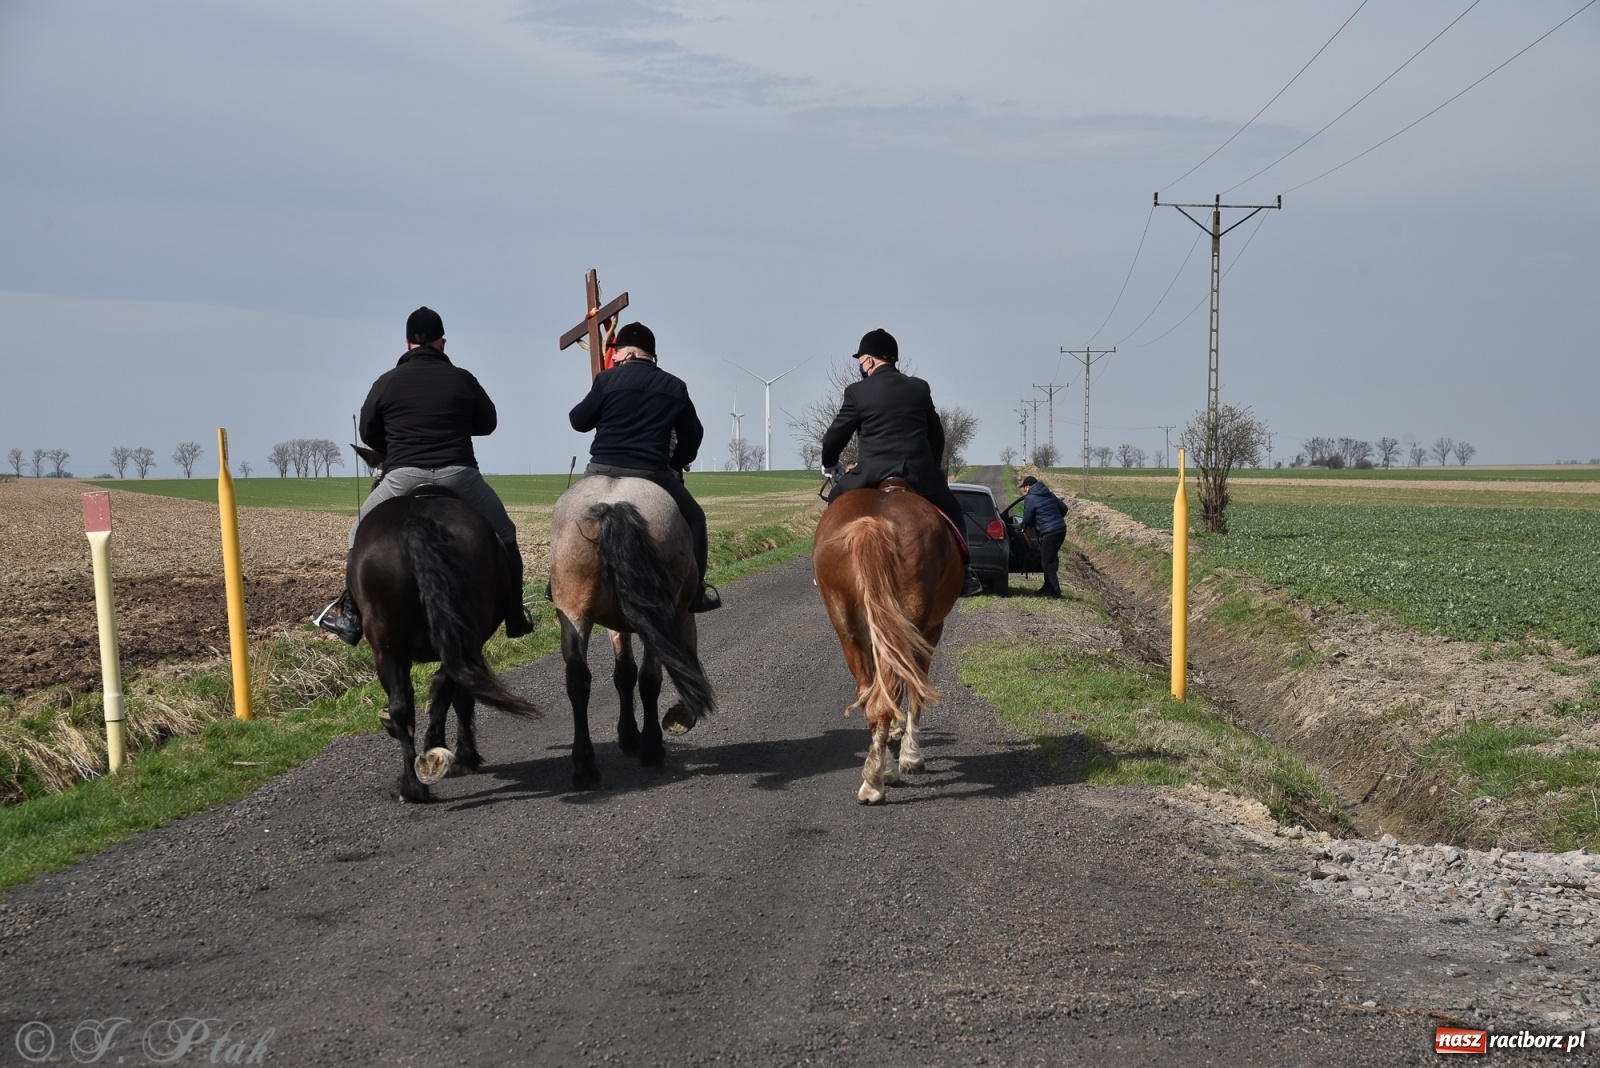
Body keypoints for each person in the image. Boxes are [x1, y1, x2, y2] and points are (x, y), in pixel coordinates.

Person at [316, 306, 534, 643]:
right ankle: (515, 615)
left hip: (402, 476)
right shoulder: (462, 378)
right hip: (458, 475)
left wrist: (394, 445)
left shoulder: (386, 382)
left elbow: (368, 431)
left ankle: (350, 616)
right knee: (506, 534)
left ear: (407, 343)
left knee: (357, 534)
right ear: (441, 342)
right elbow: (488, 423)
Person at [568, 322, 720, 612]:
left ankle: (558, 583)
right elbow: (693, 435)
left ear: (629, 353)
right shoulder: (675, 386)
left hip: (600, 469)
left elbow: (578, 421)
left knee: (566, 513)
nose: (615, 357)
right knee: (696, 520)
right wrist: (675, 463)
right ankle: (696, 593)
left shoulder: (606, 380)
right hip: (651, 472)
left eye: (617, 352)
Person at [820, 328, 982, 597]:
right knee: (952, 509)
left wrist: (830, 463)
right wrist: (932, 467)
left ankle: (824, 570)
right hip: (918, 473)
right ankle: (965, 572)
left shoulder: (857, 392)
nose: (861, 366)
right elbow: (936, 435)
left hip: (870, 472)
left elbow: (835, 436)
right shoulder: (919, 388)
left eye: (861, 360)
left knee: (835, 501)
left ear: (869, 359)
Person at [1019, 475, 1068, 599]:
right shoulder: (1049, 494)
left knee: (1047, 563)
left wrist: (1030, 524)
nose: (1024, 491)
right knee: (1050, 559)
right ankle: (1047, 588)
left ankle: (1056, 592)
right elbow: (1064, 508)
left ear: (1028, 487)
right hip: (1061, 529)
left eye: (1024, 488)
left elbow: (1027, 519)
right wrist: (1055, 519)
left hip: (1049, 532)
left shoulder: (1030, 498)